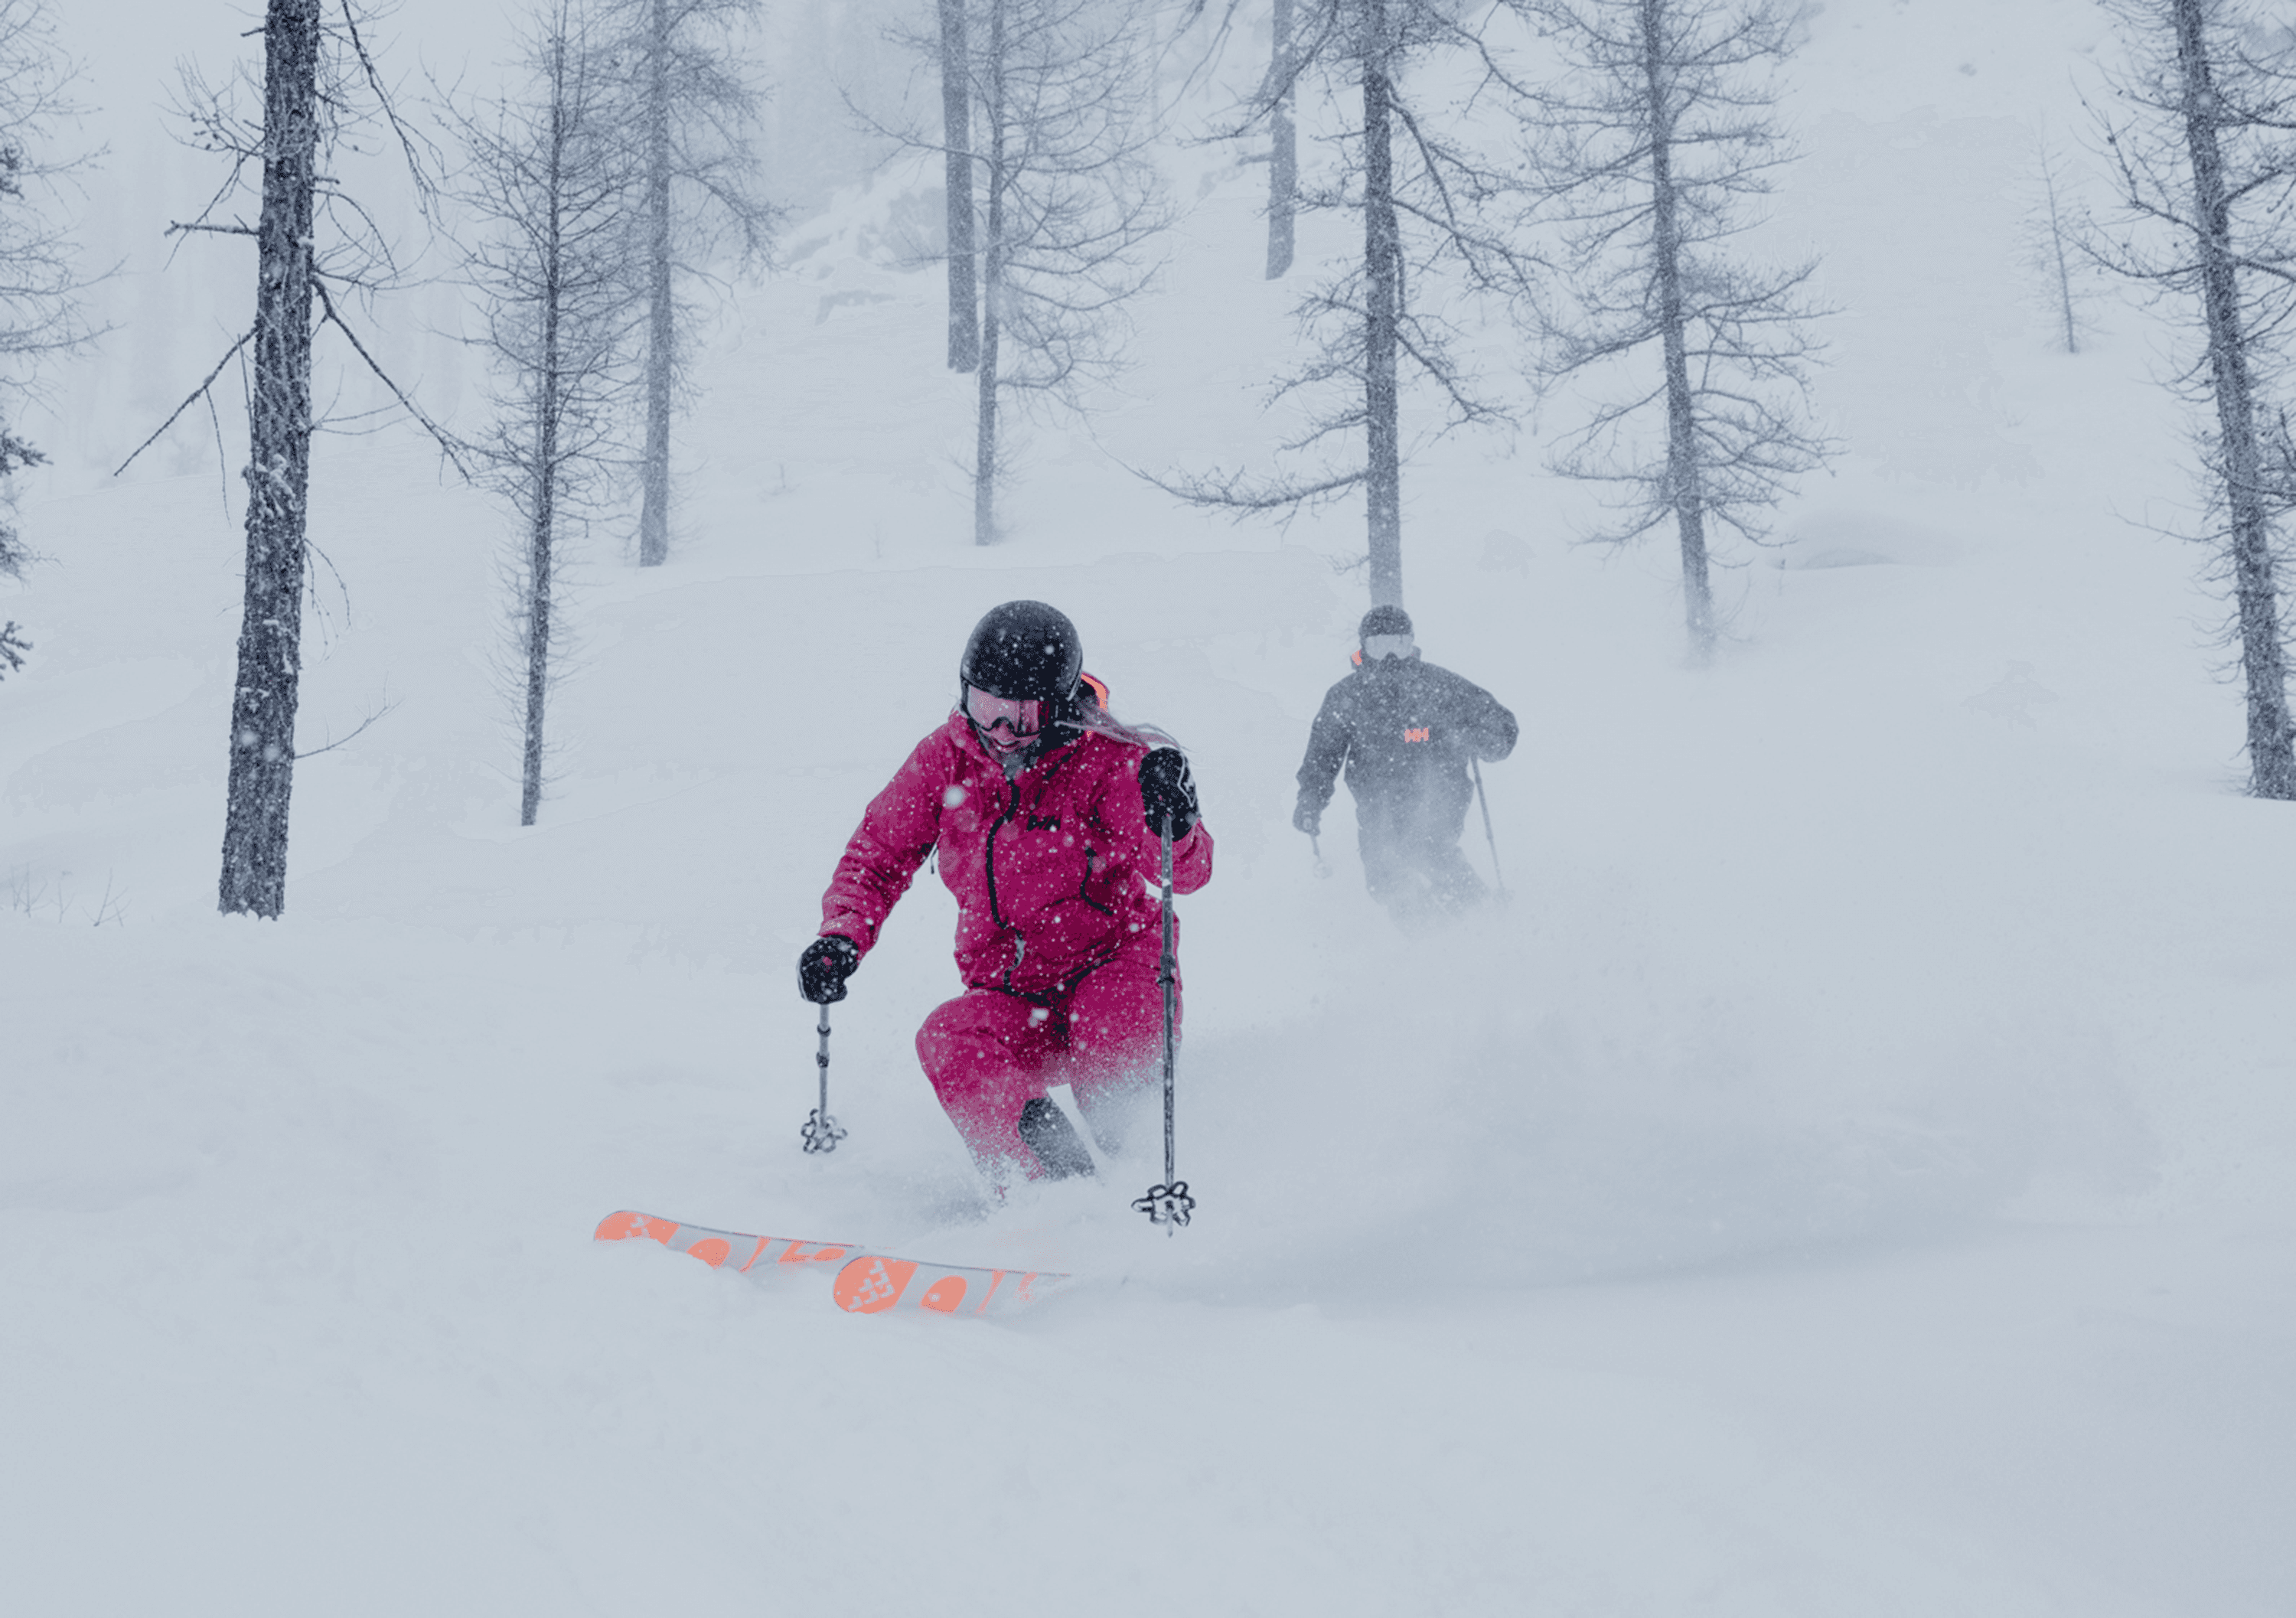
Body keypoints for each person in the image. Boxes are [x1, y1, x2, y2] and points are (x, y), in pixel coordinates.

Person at [797, 601, 1211, 1186]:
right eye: (984, 707)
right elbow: (878, 855)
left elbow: (1184, 874)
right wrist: (841, 935)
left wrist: (1177, 820)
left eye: (1020, 715)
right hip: (1015, 990)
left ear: (1059, 703)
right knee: (950, 1039)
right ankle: (1054, 1195)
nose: (999, 732)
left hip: (1115, 968)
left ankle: (1147, 1189)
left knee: (1111, 1066)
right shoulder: (947, 759)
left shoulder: (1108, 763)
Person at [1293, 605, 1516, 925]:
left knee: (1427, 847)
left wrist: (1477, 737)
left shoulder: (1440, 685)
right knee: (1383, 876)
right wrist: (1311, 800)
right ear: (1364, 648)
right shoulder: (1348, 696)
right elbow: (1323, 753)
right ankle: (1427, 939)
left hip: (1440, 794)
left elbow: (1500, 725)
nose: (1390, 658)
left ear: (1411, 644)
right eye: (1379, 647)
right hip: (1376, 801)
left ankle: (1477, 917)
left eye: (1398, 645)